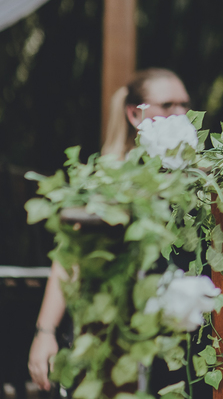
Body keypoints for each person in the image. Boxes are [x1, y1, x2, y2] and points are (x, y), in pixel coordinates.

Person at [28, 69, 191, 392]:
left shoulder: (196, 176)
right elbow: (69, 258)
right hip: (118, 332)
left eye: (184, 105)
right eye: (167, 104)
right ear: (134, 113)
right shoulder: (105, 177)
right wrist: (45, 332)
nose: (180, 114)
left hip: (181, 336)